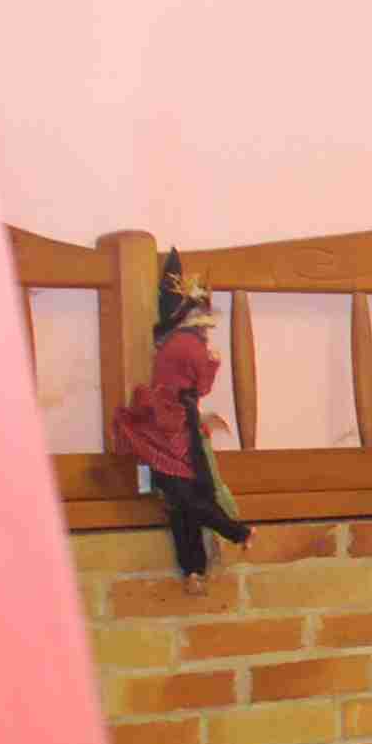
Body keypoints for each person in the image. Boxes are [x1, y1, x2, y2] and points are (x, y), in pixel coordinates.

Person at [109, 253, 247, 590]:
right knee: (190, 494)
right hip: (173, 425)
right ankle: (234, 533)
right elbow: (201, 385)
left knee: (181, 500)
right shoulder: (190, 345)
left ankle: (194, 570)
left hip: (167, 421)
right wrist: (212, 364)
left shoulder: (173, 343)